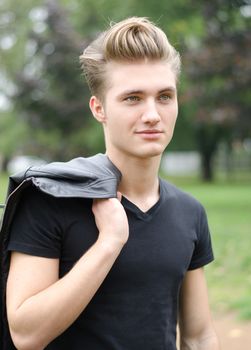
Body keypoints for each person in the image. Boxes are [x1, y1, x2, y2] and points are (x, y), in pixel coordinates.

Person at [6, 17, 219, 349]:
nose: (152, 114)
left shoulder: (189, 212)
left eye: (164, 96)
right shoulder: (49, 198)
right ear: (99, 108)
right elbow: (25, 334)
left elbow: (198, 335)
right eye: (133, 98)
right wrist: (109, 243)